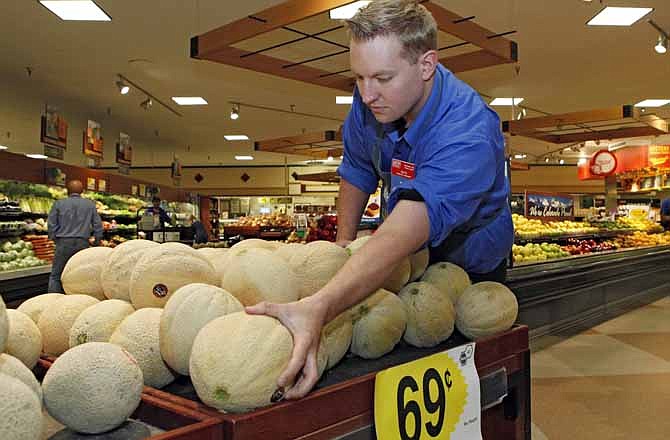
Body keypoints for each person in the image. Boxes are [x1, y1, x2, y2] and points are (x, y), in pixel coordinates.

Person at [247, 0, 513, 399]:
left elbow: (414, 220)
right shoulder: (374, 99)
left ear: (426, 65)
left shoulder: (468, 131)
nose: (368, 94)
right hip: (404, 256)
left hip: (470, 263)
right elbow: (357, 168)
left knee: (464, 380)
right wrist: (342, 245)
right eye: (358, 78)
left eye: (382, 78)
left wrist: (320, 306)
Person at [47, 179, 103, 293]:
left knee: (56, 275)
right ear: (82, 191)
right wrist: (97, 241)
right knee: (81, 276)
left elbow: (51, 224)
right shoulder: (89, 204)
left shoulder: (59, 203)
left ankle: (53, 300)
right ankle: (79, 299)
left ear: (67, 191)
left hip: (63, 243)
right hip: (83, 243)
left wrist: (54, 238)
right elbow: (98, 225)